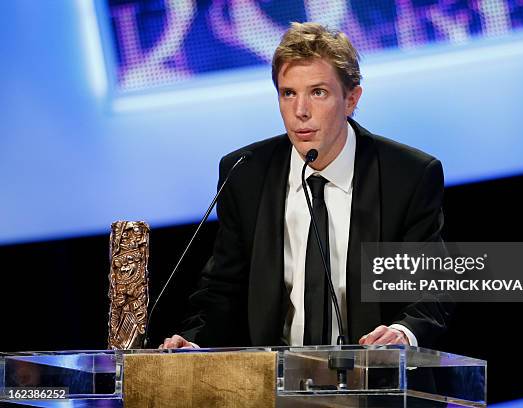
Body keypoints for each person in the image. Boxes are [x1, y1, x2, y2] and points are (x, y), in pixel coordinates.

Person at [161, 22, 451, 350]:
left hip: (374, 384)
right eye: (288, 93)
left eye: (318, 92)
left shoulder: (407, 175)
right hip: (273, 386)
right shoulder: (245, 173)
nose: (300, 112)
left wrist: (402, 332)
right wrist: (196, 345)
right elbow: (223, 290)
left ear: (351, 99)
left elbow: (433, 289)